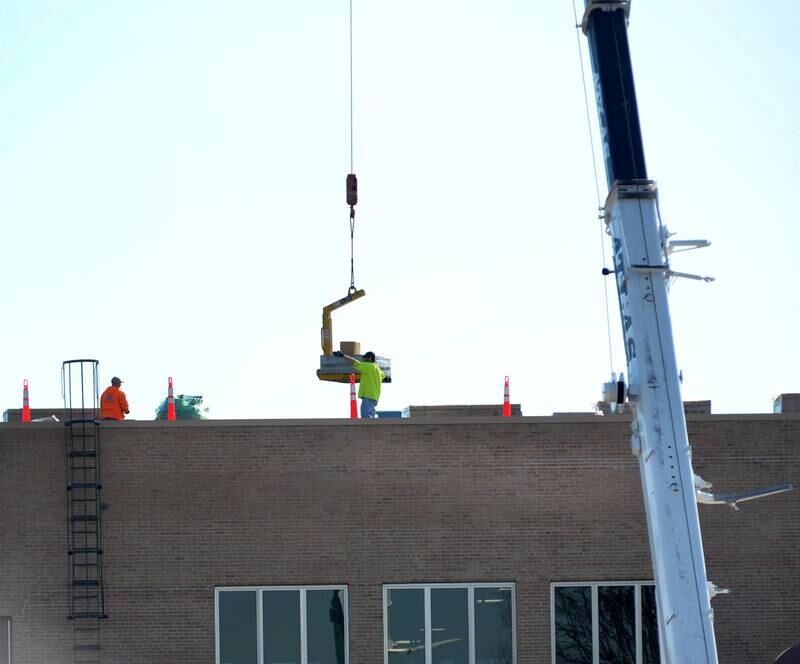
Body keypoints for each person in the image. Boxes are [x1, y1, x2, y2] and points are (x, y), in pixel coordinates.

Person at [333, 350, 386, 418]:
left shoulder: (368, 366)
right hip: (375, 398)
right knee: (371, 417)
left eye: (365, 358)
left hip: (368, 396)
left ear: (369, 358)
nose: (363, 360)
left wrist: (343, 356)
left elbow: (355, 362)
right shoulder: (378, 370)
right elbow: (383, 375)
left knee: (365, 417)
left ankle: (367, 429)